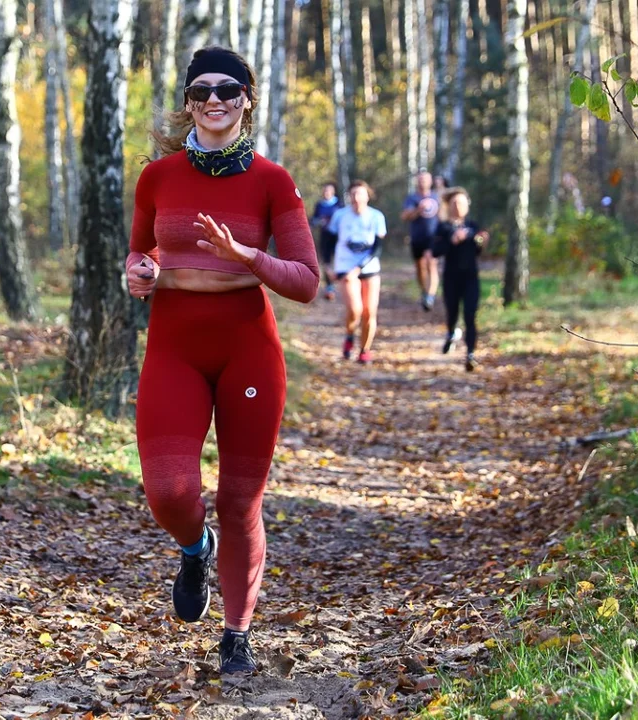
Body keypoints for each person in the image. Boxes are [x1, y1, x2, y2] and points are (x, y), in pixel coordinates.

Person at [125, 46, 320, 675]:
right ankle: (192, 546)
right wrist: (140, 273)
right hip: (174, 344)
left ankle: (237, 633)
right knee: (168, 491)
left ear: (247, 99)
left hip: (247, 349)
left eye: (228, 89)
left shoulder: (272, 180)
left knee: (240, 501)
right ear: (188, 102)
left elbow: (306, 281)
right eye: (201, 90)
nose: (214, 100)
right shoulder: (157, 178)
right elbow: (137, 255)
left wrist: (247, 257)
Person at [327, 180, 386, 364]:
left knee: (369, 312)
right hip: (344, 266)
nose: (356, 198)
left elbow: (377, 247)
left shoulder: (376, 216)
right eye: (353, 194)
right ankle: (350, 335)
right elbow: (327, 240)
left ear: (367, 196)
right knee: (355, 310)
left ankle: (364, 350)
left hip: (369, 268)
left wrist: (359, 267)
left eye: (360, 194)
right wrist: (327, 265)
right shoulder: (340, 215)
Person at [432, 187, 488, 372]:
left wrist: (482, 240)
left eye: (462, 203)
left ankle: (470, 354)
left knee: (470, 315)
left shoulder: (474, 225)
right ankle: (450, 333)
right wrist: (452, 241)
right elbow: (435, 251)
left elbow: (479, 249)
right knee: (453, 313)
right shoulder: (444, 227)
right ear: (449, 206)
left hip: (471, 277)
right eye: (455, 203)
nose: (458, 207)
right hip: (451, 278)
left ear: (467, 205)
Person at [401, 170, 441, 311]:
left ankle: (431, 295)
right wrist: (418, 210)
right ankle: (424, 292)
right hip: (417, 237)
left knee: (431, 263)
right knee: (420, 267)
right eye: (420, 180)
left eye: (425, 179)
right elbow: (405, 216)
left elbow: (443, 216)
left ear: (430, 182)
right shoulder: (412, 199)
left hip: (433, 238)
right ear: (417, 182)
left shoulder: (437, 197)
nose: (423, 182)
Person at [310, 182, 344, 300]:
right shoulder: (319, 205)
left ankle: (341, 283)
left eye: (329, 190)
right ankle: (329, 287)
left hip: (339, 236)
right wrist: (318, 222)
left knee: (338, 260)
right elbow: (313, 220)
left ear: (333, 192)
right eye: (325, 191)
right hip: (325, 236)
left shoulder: (339, 204)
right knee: (326, 261)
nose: (326, 193)